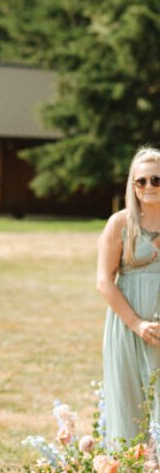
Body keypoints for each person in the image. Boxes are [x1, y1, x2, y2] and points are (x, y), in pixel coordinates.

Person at [97, 146, 160, 454]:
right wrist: (137, 324)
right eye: (141, 181)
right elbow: (104, 281)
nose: (148, 187)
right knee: (129, 410)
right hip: (128, 329)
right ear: (132, 186)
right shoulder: (120, 224)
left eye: (156, 180)